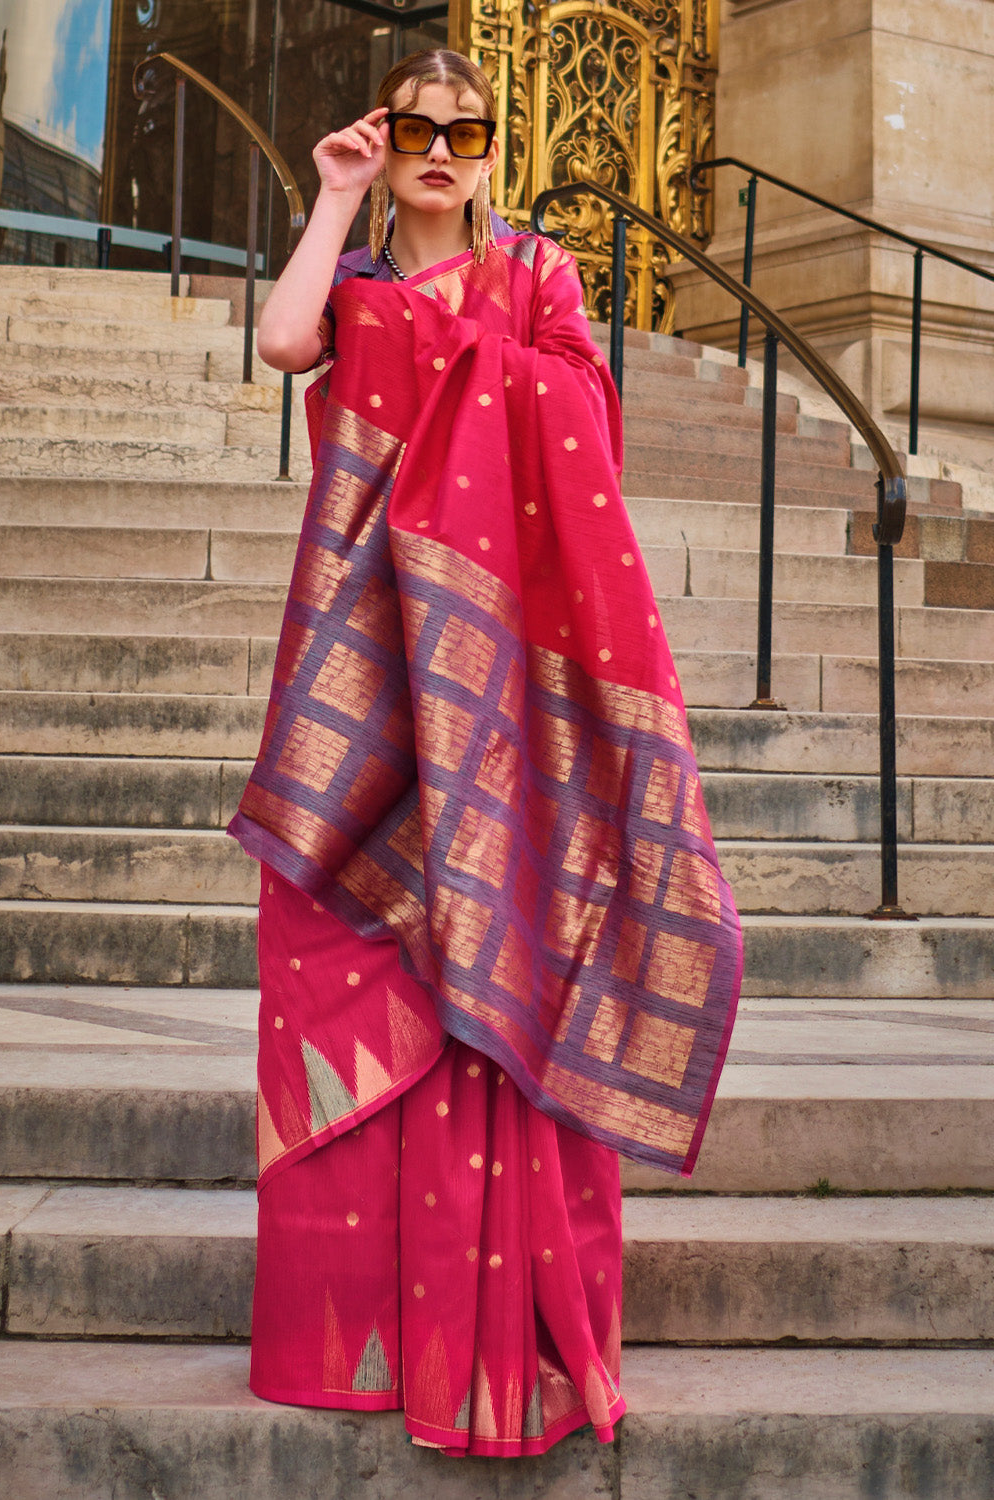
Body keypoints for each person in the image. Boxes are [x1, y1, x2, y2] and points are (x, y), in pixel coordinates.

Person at [228, 48, 742, 1458]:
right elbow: (283, 347)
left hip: (501, 670)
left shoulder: (539, 277)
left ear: (498, 146)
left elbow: (582, 418)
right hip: (365, 656)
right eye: (414, 130)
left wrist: (465, 359)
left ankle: (490, 1341)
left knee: (499, 944)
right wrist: (332, 201)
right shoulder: (365, 284)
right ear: (382, 141)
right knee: (348, 948)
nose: (440, 150)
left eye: (467, 130)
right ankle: (364, 1337)